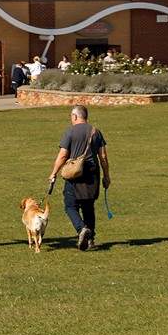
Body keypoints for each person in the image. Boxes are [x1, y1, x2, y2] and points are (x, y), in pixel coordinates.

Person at [47, 105, 110, 250]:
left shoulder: (70, 132)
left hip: (74, 173)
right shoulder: (96, 132)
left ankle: (82, 229)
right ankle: (91, 240)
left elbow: (63, 155)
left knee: (70, 205)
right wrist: (107, 176)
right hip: (92, 174)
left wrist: (53, 173)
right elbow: (103, 157)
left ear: (75, 116)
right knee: (88, 206)